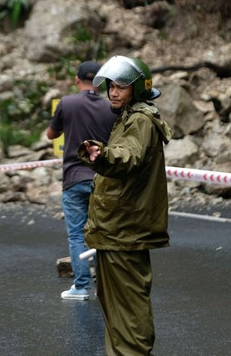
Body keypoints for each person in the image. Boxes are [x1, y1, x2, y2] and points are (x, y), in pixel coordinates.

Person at [79, 55, 173, 356]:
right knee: (117, 310)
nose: (114, 92)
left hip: (124, 233)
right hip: (117, 231)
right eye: (111, 85)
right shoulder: (130, 117)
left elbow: (128, 156)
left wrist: (102, 155)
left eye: (122, 85)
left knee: (128, 312)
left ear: (138, 89)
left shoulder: (141, 121)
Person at [46, 60, 115, 301]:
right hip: (103, 179)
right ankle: (108, 285)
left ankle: (81, 287)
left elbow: (51, 134)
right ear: (100, 83)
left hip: (74, 177)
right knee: (104, 233)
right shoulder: (110, 107)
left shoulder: (67, 103)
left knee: (77, 235)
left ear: (77, 80)